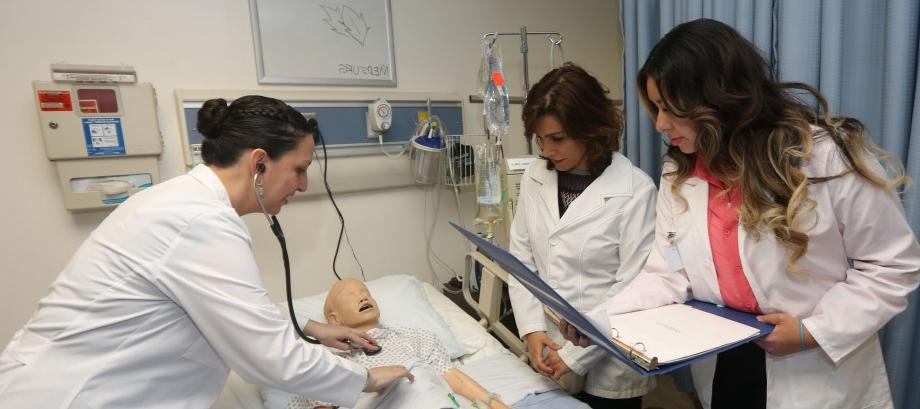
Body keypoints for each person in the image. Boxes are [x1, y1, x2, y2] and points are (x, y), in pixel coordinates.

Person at [560, 19, 920, 409]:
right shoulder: (680, 172)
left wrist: (813, 332)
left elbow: (893, 264)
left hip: (814, 367)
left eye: (670, 108)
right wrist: (598, 318)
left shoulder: (820, 156)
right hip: (727, 361)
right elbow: (668, 275)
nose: (660, 124)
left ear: (720, 98)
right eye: (655, 107)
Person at [0, 96, 412, 408]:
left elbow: (228, 313)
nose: (303, 186)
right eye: (299, 169)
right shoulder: (199, 221)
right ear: (259, 164)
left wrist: (312, 329)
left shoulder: (183, 203)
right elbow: (267, 359)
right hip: (75, 394)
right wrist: (363, 377)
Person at [507, 62, 658, 409]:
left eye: (557, 139)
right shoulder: (534, 177)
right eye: (540, 139)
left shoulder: (635, 190)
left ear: (590, 129)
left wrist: (578, 356)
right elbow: (520, 261)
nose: (546, 150)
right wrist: (531, 331)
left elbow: (633, 286)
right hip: (548, 342)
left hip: (611, 352)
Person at [288, 278, 592, 409]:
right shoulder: (319, 358)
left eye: (365, 290)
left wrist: (493, 404)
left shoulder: (414, 337)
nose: (364, 296)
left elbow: (449, 375)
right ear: (332, 316)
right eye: (350, 295)